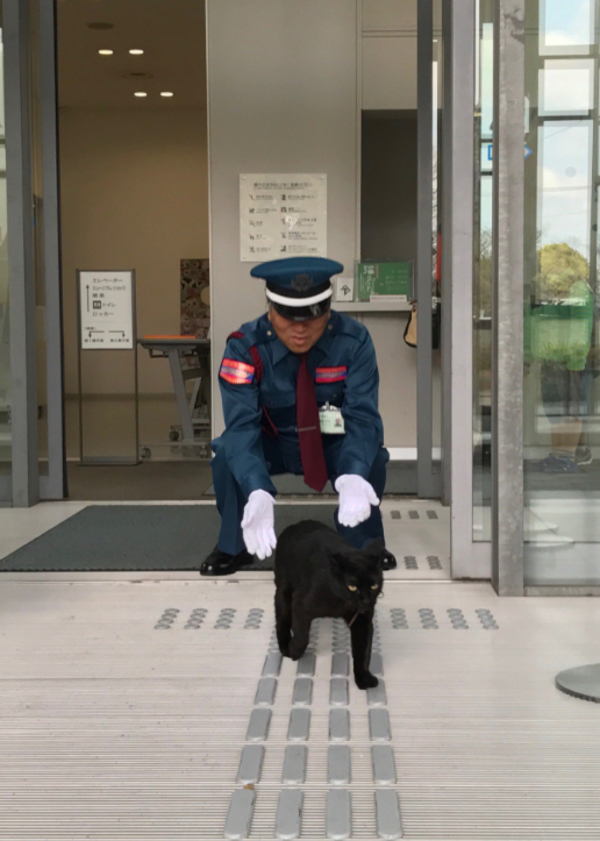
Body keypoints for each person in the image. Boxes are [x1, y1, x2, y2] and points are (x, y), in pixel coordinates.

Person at [200, 256, 397, 576]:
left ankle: (363, 544)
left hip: (331, 441)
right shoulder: (245, 347)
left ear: (328, 309)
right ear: (270, 308)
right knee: (226, 454)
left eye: (312, 316)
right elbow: (241, 426)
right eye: (288, 317)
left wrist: (353, 473)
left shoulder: (354, 340)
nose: (300, 329)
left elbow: (363, 416)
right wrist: (256, 488)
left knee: (371, 456)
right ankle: (233, 546)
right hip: (273, 440)